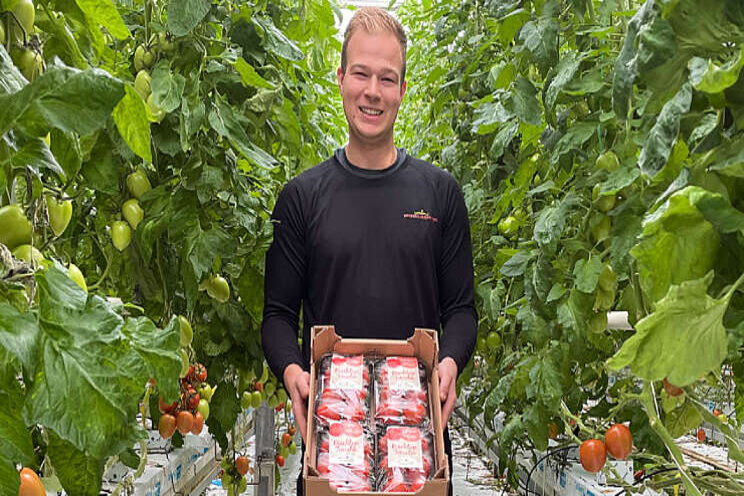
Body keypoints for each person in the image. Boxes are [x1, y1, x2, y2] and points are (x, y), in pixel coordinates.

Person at [260, 7, 477, 495]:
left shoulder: (440, 194)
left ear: (402, 88)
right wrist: (294, 373)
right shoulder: (301, 197)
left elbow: (461, 310)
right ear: (340, 78)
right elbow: (277, 316)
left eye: (387, 77)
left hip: (417, 459)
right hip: (333, 453)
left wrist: (450, 363)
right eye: (360, 73)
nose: (372, 91)